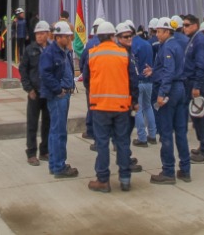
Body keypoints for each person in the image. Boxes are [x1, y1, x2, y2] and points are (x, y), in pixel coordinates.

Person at [87, 21, 140, 193]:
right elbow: (133, 79)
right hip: (121, 106)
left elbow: (86, 80)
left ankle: (103, 180)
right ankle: (125, 179)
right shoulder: (123, 54)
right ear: (112, 36)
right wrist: (134, 100)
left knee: (102, 143)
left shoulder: (92, 54)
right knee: (123, 142)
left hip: (100, 106)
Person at [148, 14, 191, 185]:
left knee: (166, 132)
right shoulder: (177, 45)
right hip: (180, 89)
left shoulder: (166, 48)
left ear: (167, 31)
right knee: (181, 131)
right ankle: (185, 169)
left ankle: (168, 171)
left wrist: (162, 93)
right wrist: (154, 72)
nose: (157, 34)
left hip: (170, 91)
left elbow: (169, 71)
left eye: (159, 31)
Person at [39, 21, 79, 178]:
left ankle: (56, 164)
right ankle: (58, 166)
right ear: (58, 37)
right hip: (58, 97)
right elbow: (45, 74)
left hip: (64, 94)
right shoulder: (50, 53)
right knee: (58, 131)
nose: (70, 39)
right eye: (67, 37)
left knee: (58, 130)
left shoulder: (64, 51)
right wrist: (58, 89)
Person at [181, 15, 204, 162]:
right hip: (191, 82)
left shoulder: (200, 41)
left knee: (201, 117)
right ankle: (202, 145)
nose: (184, 27)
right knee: (196, 117)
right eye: (184, 25)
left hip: (198, 83)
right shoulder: (193, 39)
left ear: (195, 25)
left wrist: (197, 85)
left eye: (187, 25)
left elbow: (201, 64)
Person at [20, 19, 51, 165]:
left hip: (48, 92)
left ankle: (45, 151)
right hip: (35, 92)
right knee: (32, 123)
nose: (39, 36)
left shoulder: (52, 49)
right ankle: (31, 153)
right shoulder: (30, 50)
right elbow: (23, 70)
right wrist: (28, 88)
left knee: (47, 123)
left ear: (47, 34)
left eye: (42, 33)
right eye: (37, 34)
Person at [131, 20, 158, 147]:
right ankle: (152, 135)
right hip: (149, 80)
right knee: (148, 107)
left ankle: (142, 138)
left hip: (138, 80)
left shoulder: (132, 45)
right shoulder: (147, 43)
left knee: (138, 109)